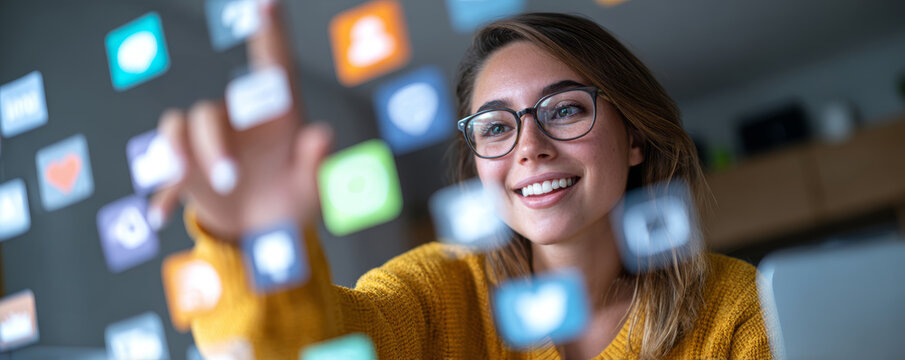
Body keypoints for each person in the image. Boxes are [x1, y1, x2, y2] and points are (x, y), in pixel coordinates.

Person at [148, 2, 771, 359]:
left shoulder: (732, 310)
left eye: (565, 110)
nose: (529, 147)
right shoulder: (437, 293)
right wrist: (256, 243)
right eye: (496, 127)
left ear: (634, 136)